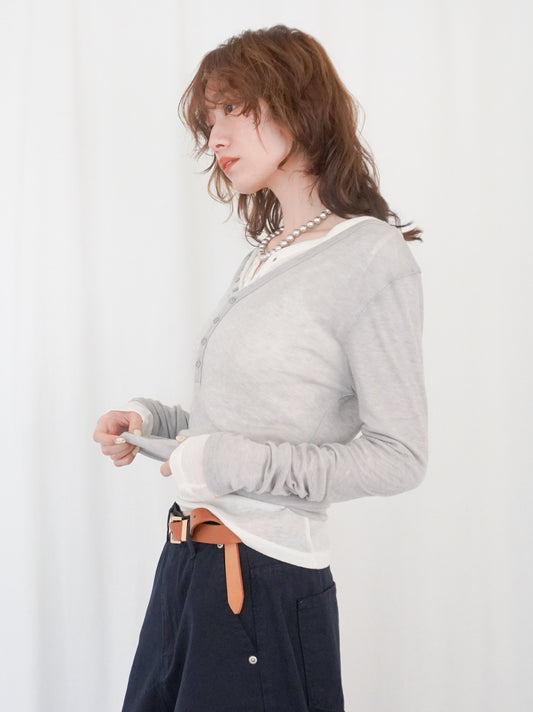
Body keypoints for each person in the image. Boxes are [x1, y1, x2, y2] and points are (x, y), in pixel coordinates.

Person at [93, 24, 428, 712]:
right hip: (188, 567)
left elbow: (400, 457)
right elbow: (247, 425)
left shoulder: (369, 256)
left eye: (232, 109)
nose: (214, 138)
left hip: (263, 581)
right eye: (208, 119)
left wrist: (230, 462)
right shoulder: (266, 255)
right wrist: (154, 423)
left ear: (298, 105)